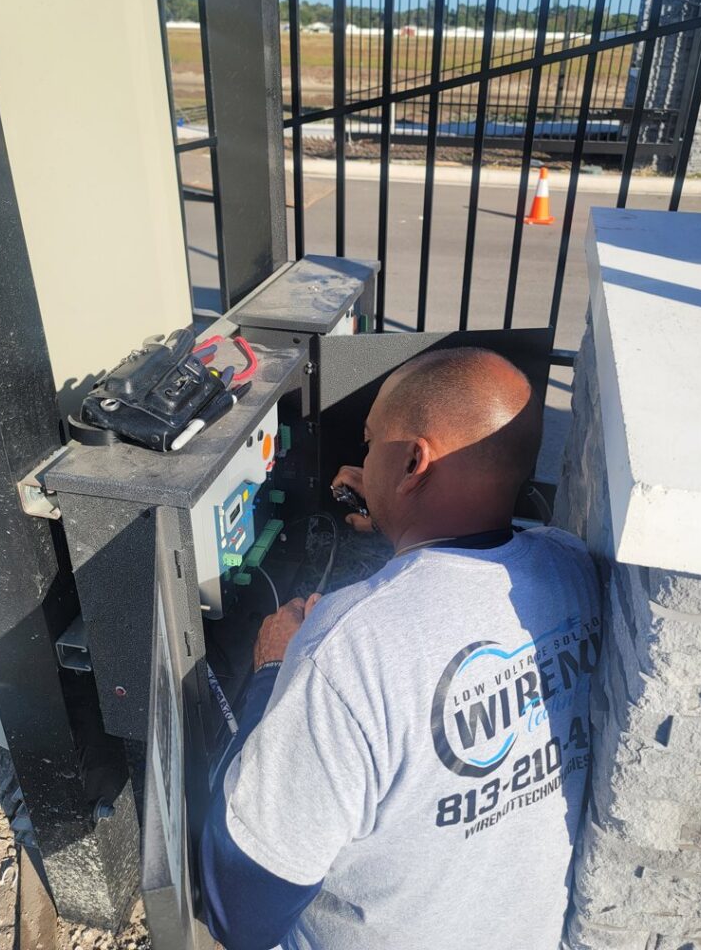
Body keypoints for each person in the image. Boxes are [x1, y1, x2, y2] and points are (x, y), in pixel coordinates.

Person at [200, 347, 601, 950]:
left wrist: (272, 670)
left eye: (369, 444)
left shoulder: (345, 651)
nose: (361, 460)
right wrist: (398, 508)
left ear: (414, 461)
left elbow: (238, 914)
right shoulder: (573, 566)